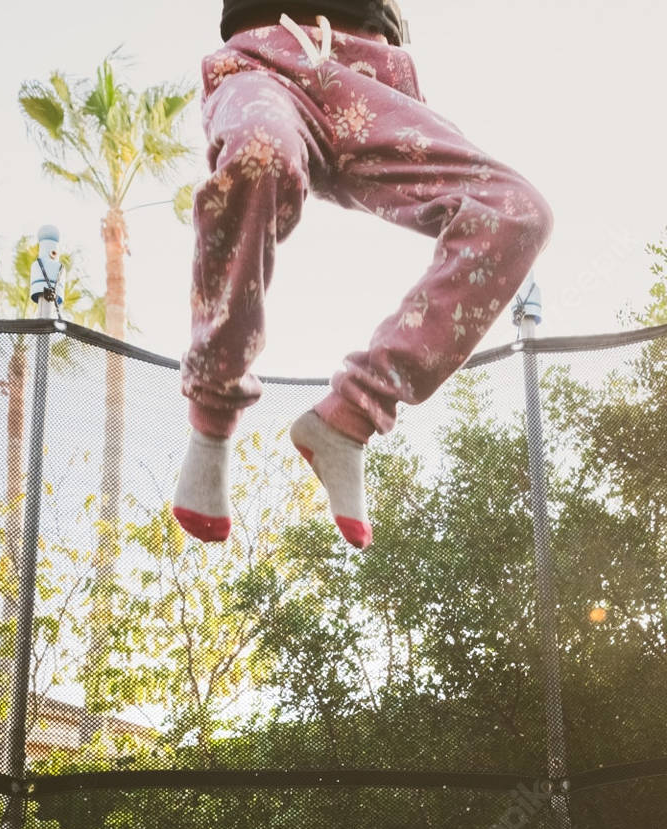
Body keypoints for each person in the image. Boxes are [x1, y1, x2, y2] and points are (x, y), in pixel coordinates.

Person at [174, 2, 553, 549]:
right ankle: (211, 417)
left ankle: (348, 420)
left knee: (517, 213)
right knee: (262, 154)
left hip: (376, 78)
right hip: (264, 65)